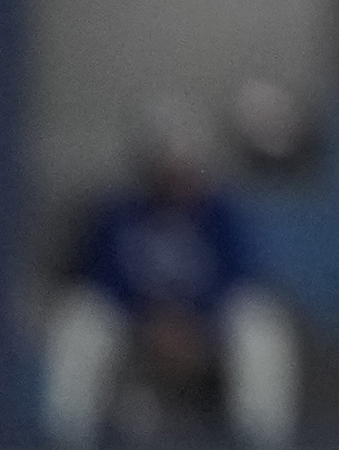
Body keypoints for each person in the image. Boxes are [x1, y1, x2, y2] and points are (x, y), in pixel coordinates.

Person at [41, 99, 299, 448]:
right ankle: (65, 438)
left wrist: (194, 324)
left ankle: (260, 440)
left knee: (262, 329)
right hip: (136, 324)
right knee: (80, 322)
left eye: (185, 165)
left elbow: (239, 278)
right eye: (167, 164)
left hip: (203, 328)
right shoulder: (118, 211)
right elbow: (102, 277)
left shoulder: (222, 213)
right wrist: (151, 320)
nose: (177, 175)